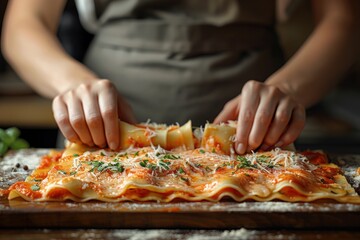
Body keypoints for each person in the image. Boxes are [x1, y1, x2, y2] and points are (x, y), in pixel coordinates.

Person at [1, 0, 357, 154]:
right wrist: (72, 83)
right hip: (101, 130)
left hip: (257, 133)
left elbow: (344, 20)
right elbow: (23, 24)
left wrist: (288, 88)